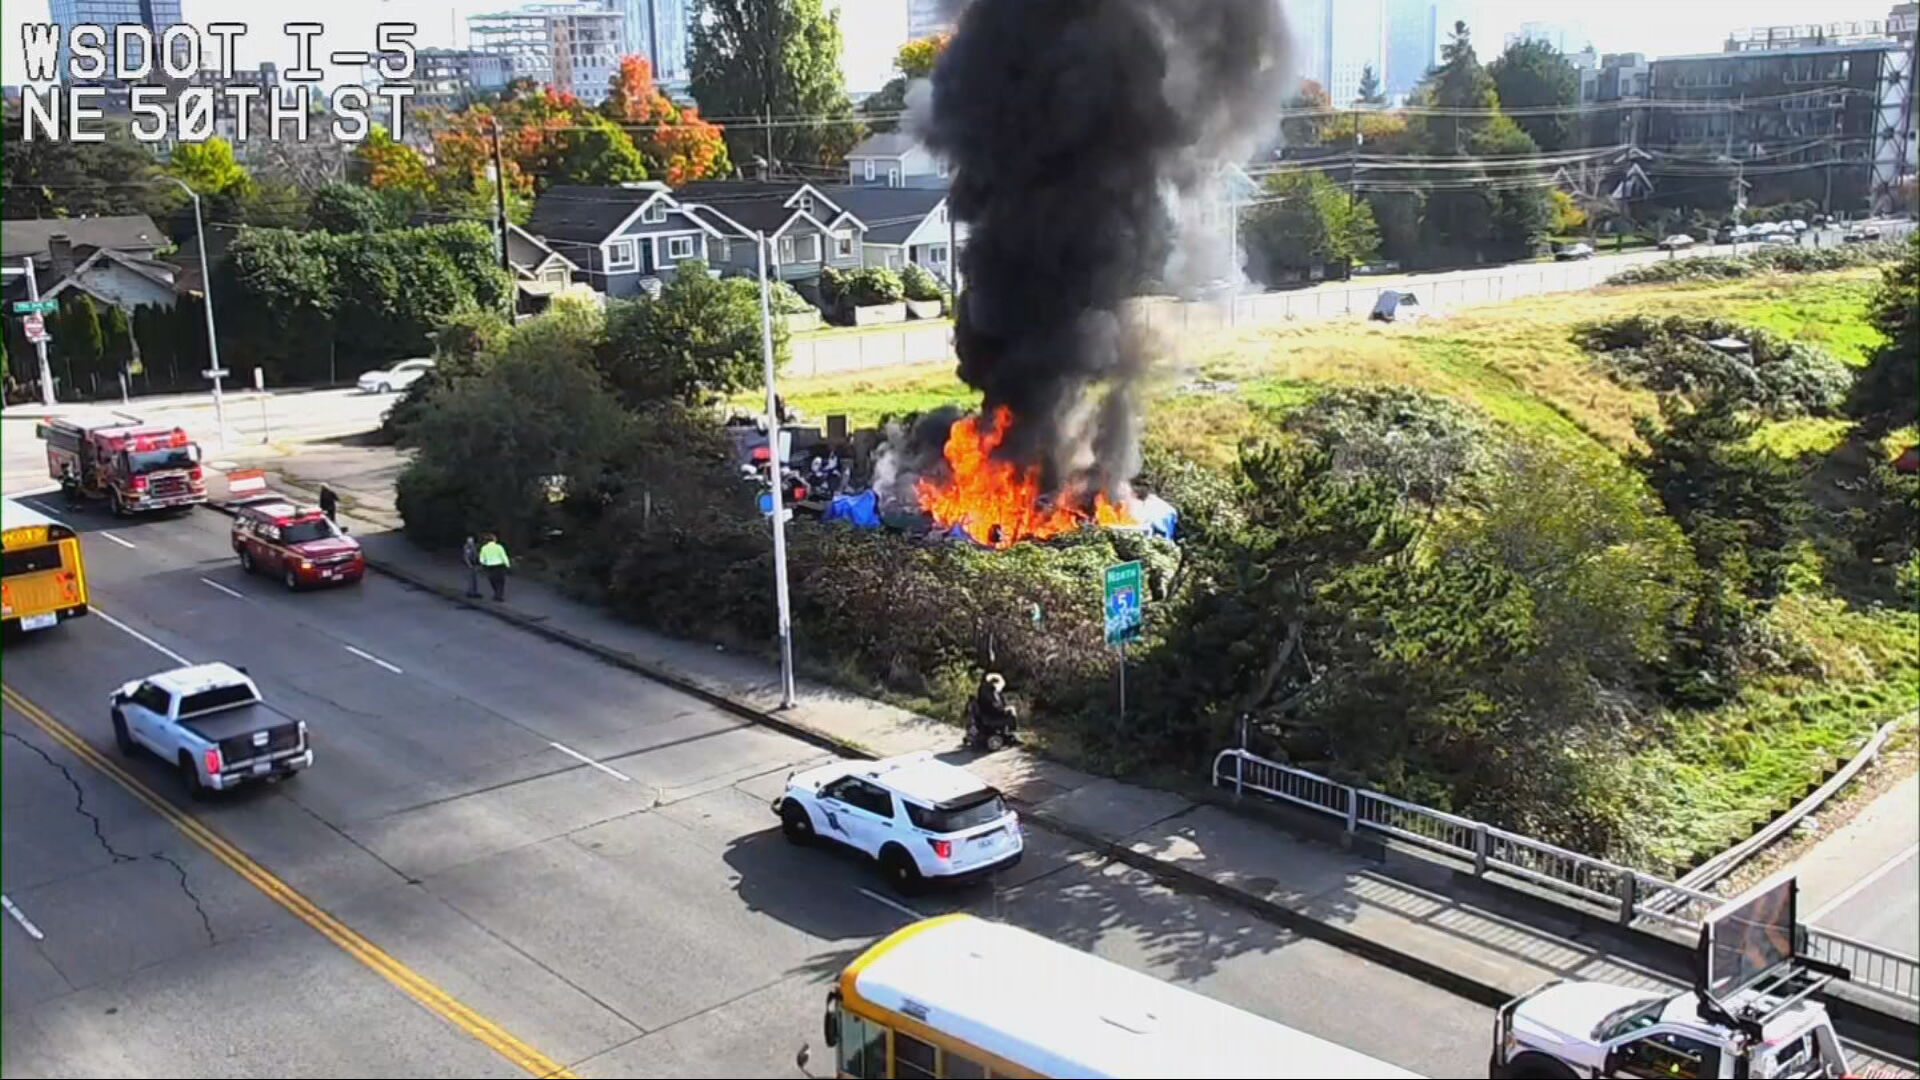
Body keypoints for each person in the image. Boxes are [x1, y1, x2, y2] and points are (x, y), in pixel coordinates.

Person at [971, 672, 1018, 746]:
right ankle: (1012, 732)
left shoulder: (982, 690)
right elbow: (997, 707)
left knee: (1009, 709)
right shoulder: (993, 693)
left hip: (984, 716)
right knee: (1011, 710)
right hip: (991, 717)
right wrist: (1007, 709)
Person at [477, 532, 511, 601]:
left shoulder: (484, 548)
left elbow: (481, 559)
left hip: (490, 567)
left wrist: (484, 563)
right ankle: (499, 595)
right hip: (499, 566)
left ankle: (496, 593)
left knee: (493, 581)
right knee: (500, 581)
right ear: (494, 539)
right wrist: (507, 564)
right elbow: (503, 556)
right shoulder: (499, 547)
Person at [461, 534, 482, 598]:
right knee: (471, 579)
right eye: (470, 541)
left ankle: (474, 592)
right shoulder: (467, 547)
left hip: (474, 564)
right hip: (470, 565)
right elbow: (466, 557)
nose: (471, 542)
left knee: (475, 579)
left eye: (472, 541)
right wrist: (469, 565)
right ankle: (471, 592)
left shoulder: (473, 546)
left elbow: (476, 554)